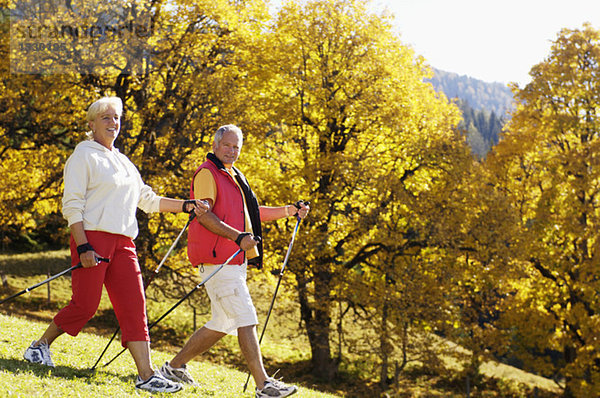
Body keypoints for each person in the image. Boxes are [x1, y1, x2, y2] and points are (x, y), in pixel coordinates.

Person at [23, 97, 209, 393]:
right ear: (91, 124)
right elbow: (71, 204)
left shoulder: (124, 162)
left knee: (135, 307)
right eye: (106, 118)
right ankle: (40, 346)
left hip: (124, 242)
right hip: (92, 237)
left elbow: (147, 200)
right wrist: (83, 246)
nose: (113, 123)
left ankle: (146, 375)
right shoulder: (83, 155)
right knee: (85, 305)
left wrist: (186, 206)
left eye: (117, 118)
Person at [158, 124, 309, 398]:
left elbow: (252, 214)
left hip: (234, 260)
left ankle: (174, 366)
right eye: (227, 145)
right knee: (246, 317)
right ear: (215, 145)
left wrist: (289, 211)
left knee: (223, 322)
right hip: (218, 260)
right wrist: (238, 237)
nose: (232, 151)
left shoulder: (234, 176)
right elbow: (204, 215)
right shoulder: (208, 173)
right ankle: (264, 385)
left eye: (236, 147)